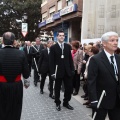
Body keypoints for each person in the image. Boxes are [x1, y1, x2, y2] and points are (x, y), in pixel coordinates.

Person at [87, 31, 120, 120]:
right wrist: (93, 100)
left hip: (117, 100)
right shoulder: (96, 60)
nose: (115, 43)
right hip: (101, 99)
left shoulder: (118, 58)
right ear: (104, 43)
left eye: (117, 40)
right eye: (112, 40)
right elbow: (91, 82)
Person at [0, 32, 30, 120]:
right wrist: (26, 83)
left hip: (1, 86)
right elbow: (26, 73)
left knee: (2, 108)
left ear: (3, 41)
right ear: (14, 42)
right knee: (15, 108)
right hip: (16, 85)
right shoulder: (21, 53)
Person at [49, 30, 75, 111]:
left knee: (69, 88)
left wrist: (72, 70)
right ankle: (57, 103)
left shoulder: (68, 46)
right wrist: (52, 73)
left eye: (63, 35)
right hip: (57, 71)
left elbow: (70, 59)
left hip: (67, 71)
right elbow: (51, 61)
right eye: (60, 35)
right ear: (57, 37)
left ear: (64, 37)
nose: (61, 37)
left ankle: (66, 102)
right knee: (57, 88)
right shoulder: (53, 47)